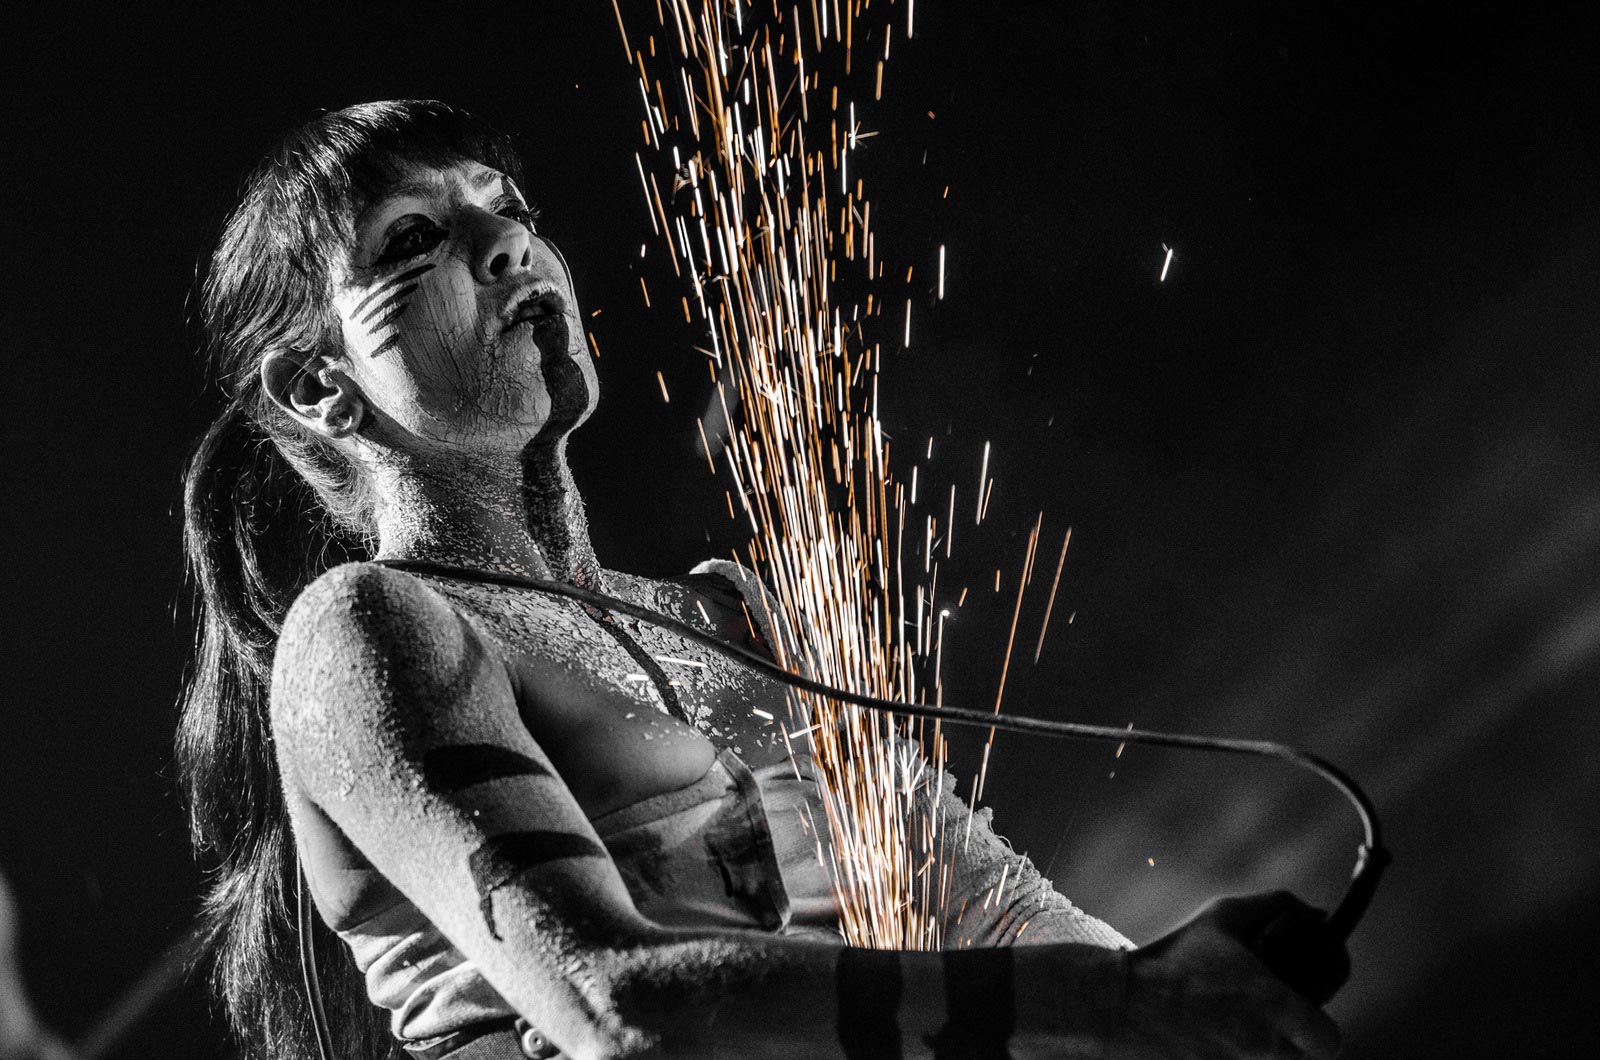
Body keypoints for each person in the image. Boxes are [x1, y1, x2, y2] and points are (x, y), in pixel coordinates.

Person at [177, 99, 1344, 1060]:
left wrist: (1188, 1001)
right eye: (411, 239)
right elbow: (613, 999)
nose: (509, 245)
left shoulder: (734, 612)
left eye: (510, 206)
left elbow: (979, 900)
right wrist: (1124, 1003)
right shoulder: (370, 628)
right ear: (318, 387)